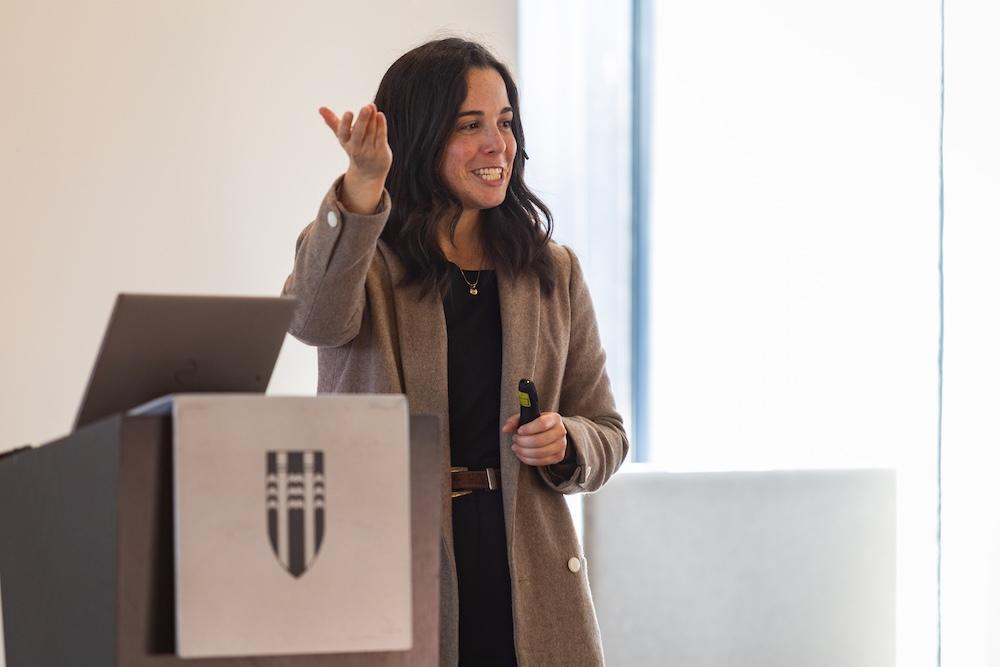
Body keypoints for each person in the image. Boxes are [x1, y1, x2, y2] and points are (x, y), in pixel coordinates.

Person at [282, 37, 628, 666]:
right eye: (471, 126)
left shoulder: (551, 270)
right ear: (420, 137)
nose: (498, 144)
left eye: (505, 122)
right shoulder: (365, 255)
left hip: (524, 564)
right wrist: (361, 187)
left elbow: (606, 430)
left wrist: (568, 441)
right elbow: (311, 317)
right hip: (396, 561)